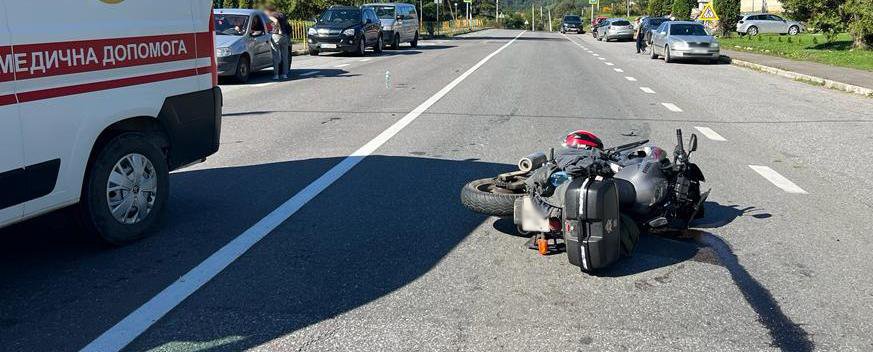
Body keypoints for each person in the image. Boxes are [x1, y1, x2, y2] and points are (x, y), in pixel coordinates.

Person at [266, 6, 292, 80]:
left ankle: (276, 75)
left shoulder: (271, 15)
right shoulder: (282, 15)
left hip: (276, 35)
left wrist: (279, 29)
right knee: (285, 56)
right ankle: (284, 74)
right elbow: (287, 25)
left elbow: (276, 21)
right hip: (285, 36)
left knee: (275, 57)